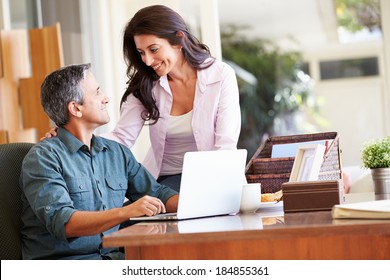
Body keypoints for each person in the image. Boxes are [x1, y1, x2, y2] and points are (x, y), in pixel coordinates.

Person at [43, 5, 241, 192]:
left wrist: (214, 188)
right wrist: (69, 137)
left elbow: (225, 145)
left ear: (179, 39)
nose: (146, 60)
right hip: (166, 180)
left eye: (153, 50)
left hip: (213, 177)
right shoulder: (147, 84)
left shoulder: (221, 76)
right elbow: (122, 138)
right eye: (141, 53)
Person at [20, 63, 179, 260]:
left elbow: (157, 193)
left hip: (112, 259)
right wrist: (126, 211)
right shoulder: (43, 158)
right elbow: (65, 223)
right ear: (75, 108)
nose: (106, 98)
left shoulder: (116, 152)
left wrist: (199, 205)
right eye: (97, 92)